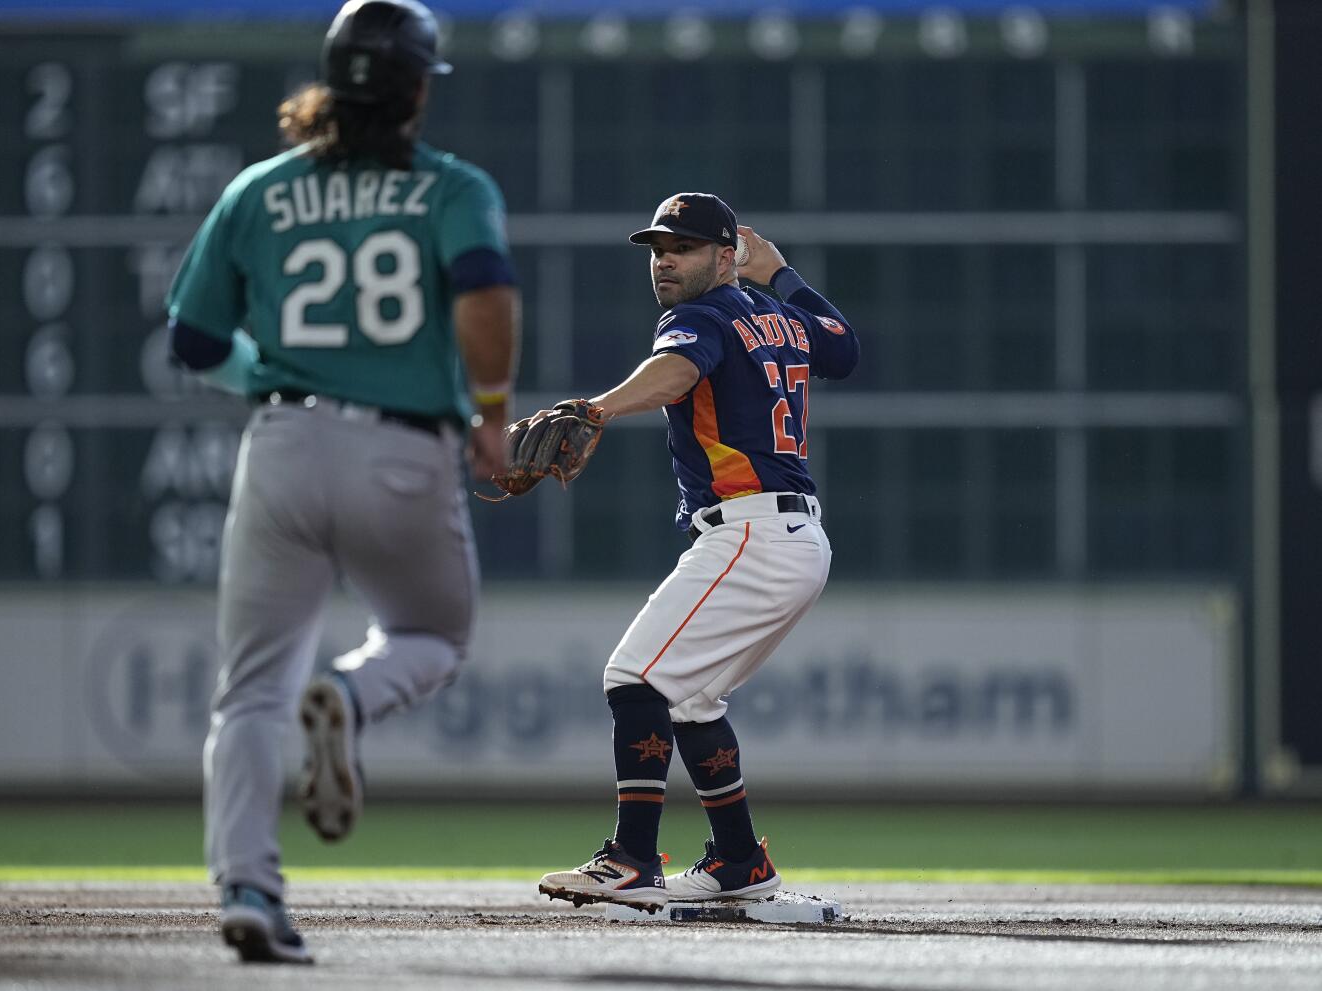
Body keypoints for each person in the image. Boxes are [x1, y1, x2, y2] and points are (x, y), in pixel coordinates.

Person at [164, 0, 519, 963]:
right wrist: (491, 414)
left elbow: (192, 337)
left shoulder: (260, 187)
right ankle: (352, 700)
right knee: (433, 635)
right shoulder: (450, 187)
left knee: (247, 693)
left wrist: (278, 379)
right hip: (402, 450)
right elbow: (484, 291)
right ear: (414, 89)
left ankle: (247, 886)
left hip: (280, 443)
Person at [535, 193, 859, 910]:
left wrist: (596, 408)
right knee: (692, 700)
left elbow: (676, 373)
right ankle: (741, 862)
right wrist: (782, 275)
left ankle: (630, 859)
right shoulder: (778, 317)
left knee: (634, 680)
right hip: (794, 536)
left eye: (680, 248)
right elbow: (842, 346)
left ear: (723, 256)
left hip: (751, 531)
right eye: (657, 249)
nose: (664, 262)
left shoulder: (699, 316)